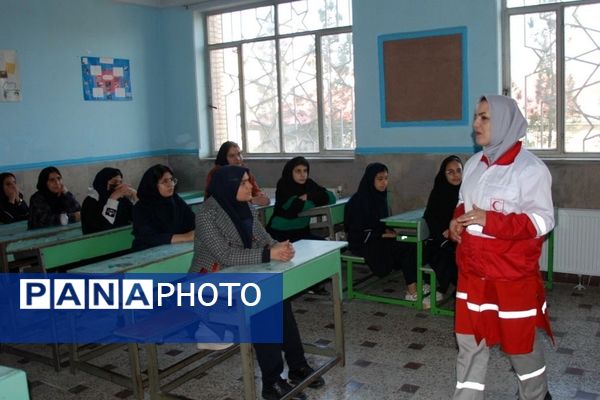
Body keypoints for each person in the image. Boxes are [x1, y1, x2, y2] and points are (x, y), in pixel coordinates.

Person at [449, 95, 554, 400]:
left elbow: (541, 222)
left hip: (511, 277)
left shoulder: (530, 169)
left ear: (505, 122)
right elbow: (462, 204)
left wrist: (490, 219)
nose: (475, 124)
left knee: (521, 345)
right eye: (476, 117)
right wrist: (457, 221)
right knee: (469, 341)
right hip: (473, 273)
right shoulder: (473, 164)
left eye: (484, 117)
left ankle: (536, 394)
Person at [190, 165, 324, 400]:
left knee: (278, 301)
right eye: (243, 183)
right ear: (228, 186)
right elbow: (225, 256)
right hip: (209, 287)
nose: (250, 186)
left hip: (239, 277)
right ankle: (272, 382)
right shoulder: (206, 214)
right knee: (266, 307)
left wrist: (281, 247)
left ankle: (297, 366)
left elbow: (265, 239)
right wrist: (268, 254)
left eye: (248, 181)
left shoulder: (246, 208)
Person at [344, 163, 440, 307]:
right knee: (405, 248)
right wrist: (382, 235)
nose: (384, 183)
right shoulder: (358, 202)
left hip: (384, 239)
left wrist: (388, 231)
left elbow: (380, 223)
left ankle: (420, 281)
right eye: (380, 179)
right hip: (366, 244)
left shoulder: (380, 197)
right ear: (371, 180)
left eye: (386, 179)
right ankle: (412, 291)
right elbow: (356, 234)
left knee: (413, 240)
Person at [267, 156, 336, 243]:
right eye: (298, 171)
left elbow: (331, 197)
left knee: (328, 246)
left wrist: (309, 196)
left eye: (305, 170)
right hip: (280, 234)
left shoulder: (309, 183)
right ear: (290, 172)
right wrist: (317, 200)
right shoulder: (284, 184)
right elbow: (296, 207)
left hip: (302, 233)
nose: (302, 175)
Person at [423, 155, 463, 295]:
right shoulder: (438, 194)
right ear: (443, 174)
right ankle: (455, 288)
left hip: (459, 237)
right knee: (448, 254)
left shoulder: (465, 193)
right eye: (450, 172)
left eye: (458, 170)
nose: (455, 175)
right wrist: (445, 232)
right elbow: (431, 220)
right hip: (439, 241)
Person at [132, 164, 195, 251]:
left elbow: (192, 221)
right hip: (147, 253)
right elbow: (150, 237)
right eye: (165, 181)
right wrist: (185, 237)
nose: (171, 184)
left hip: (174, 248)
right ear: (153, 185)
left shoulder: (176, 200)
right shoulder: (141, 208)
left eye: (172, 180)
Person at [205, 141, 270, 206]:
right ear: (224, 158)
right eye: (232, 156)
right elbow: (224, 199)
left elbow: (255, 189)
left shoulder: (244, 171)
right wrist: (251, 200)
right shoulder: (217, 173)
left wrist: (259, 195)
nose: (238, 158)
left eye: (239, 154)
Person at [81, 167, 138, 234]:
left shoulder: (121, 199)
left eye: (120, 182)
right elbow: (105, 226)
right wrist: (113, 198)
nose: (118, 185)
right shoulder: (90, 201)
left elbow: (137, 218)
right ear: (103, 182)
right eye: (114, 182)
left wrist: (135, 197)